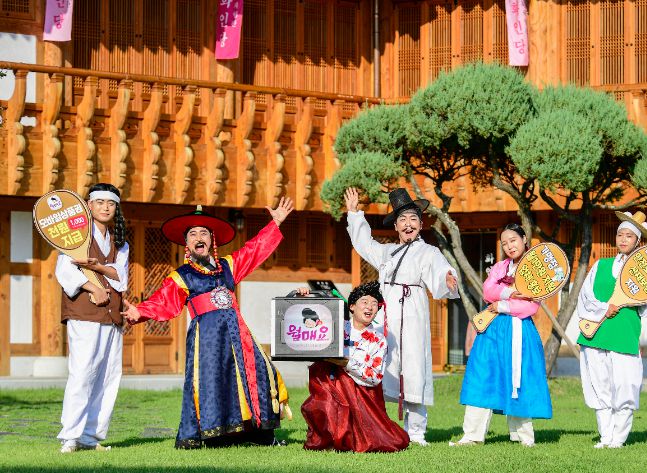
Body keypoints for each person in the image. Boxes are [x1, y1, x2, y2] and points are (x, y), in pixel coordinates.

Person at [122, 199, 294, 449]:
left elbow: (254, 249)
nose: (199, 237)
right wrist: (139, 310)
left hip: (238, 334)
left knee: (258, 373)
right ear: (187, 243)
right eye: (193, 234)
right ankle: (217, 436)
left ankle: (259, 434)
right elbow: (163, 301)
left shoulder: (228, 266)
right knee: (213, 382)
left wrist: (275, 223)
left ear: (212, 239)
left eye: (204, 233)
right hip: (207, 340)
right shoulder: (182, 276)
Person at [344, 187, 459, 446]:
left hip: (413, 317)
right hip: (386, 320)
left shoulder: (428, 252)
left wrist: (447, 278)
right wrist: (354, 214)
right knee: (379, 367)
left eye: (413, 219)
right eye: (403, 220)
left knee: (414, 369)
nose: (408, 224)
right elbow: (364, 244)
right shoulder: (387, 252)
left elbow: (442, 272)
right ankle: (377, 426)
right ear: (395, 226)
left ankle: (416, 431)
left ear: (421, 224)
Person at [576, 211, 647, 449]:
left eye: (629, 236)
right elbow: (585, 297)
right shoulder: (600, 265)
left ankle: (618, 439)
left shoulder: (646, 272)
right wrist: (604, 308)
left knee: (625, 386)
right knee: (599, 386)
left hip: (624, 334)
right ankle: (605, 437)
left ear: (638, 241)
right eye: (620, 235)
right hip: (596, 333)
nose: (623, 239)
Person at [450, 223, 551, 447]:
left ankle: (523, 436)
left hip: (519, 330)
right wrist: (512, 293)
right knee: (482, 374)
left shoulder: (536, 270)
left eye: (513, 240)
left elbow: (531, 306)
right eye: (504, 243)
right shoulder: (500, 267)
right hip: (493, 329)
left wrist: (502, 304)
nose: (509, 246)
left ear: (524, 239)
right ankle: (472, 435)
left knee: (518, 378)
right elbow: (488, 291)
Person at [55, 183, 129, 453]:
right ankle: (70, 437)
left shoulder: (120, 242)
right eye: (99, 202)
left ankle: (90, 436)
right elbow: (64, 271)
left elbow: (121, 277)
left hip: (112, 315)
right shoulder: (75, 236)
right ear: (89, 205)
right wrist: (93, 287)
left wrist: (100, 268)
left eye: (110, 204)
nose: (105, 208)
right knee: (83, 372)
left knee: (108, 376)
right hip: (84, 314)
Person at [299, 281, 410, 452]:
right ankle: (330, 438)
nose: (370, 307)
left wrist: (346, 363)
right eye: (364, 302)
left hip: (362, 394)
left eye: (374, 304)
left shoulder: (379, 340)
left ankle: (347, 437)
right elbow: (309, 325)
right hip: (330, 383)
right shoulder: (334, 327)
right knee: (326, 398)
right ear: (352, 306)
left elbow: (374, 377)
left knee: (383, 439)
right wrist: (305, 298)